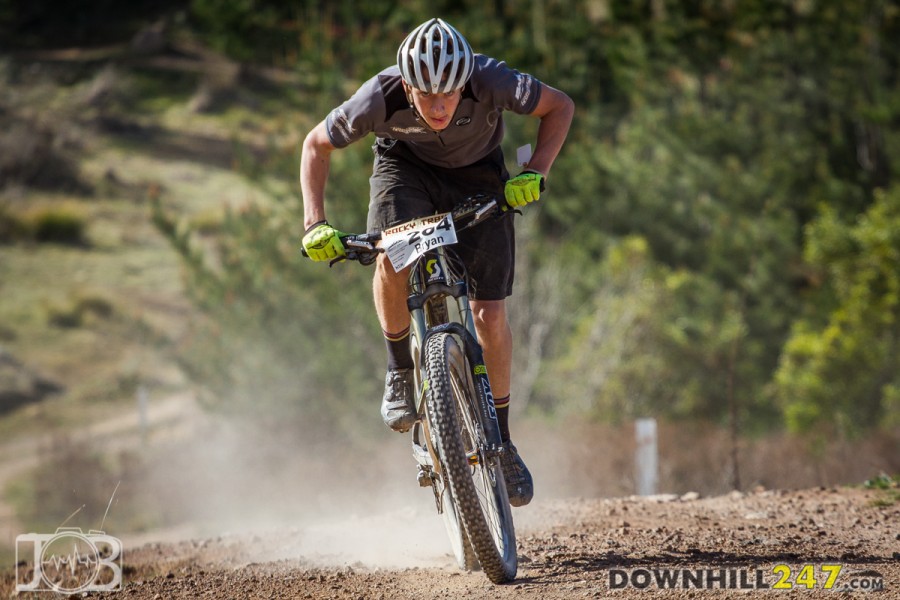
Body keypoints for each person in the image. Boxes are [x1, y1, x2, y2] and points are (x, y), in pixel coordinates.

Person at [300, 18, 573, 507]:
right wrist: (314, 223)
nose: (440, 105)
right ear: (407, 86)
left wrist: (536, 172)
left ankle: (503, 442)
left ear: (466, 79)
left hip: (479, 175)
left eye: (450, 93)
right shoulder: (378, 97)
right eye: (427, 95)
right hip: (404, 172)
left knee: (490, 316)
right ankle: (400, 369)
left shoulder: (491, 79)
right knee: (390, 256)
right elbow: (314, 146)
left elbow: (560, 107)